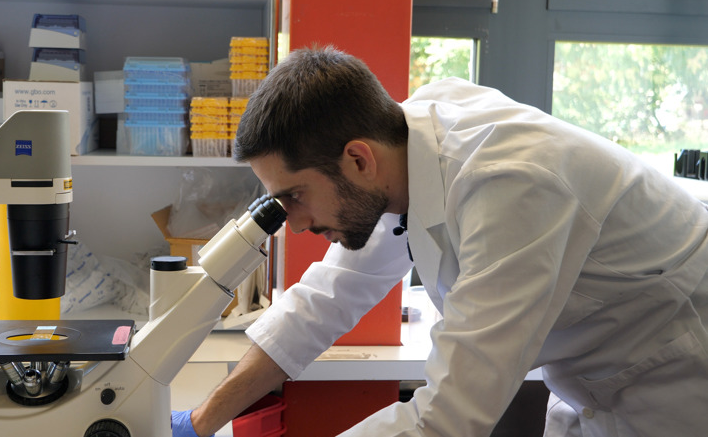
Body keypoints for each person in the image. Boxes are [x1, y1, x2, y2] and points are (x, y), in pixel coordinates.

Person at [172, 46, 708, 437]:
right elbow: (323, 301)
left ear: (357, 159)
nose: (293, 223)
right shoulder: (402, 147)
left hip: (677, 384)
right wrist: (200, 422)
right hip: (593, 387)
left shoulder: (511, 186)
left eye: (295, 197)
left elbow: (448, 418)